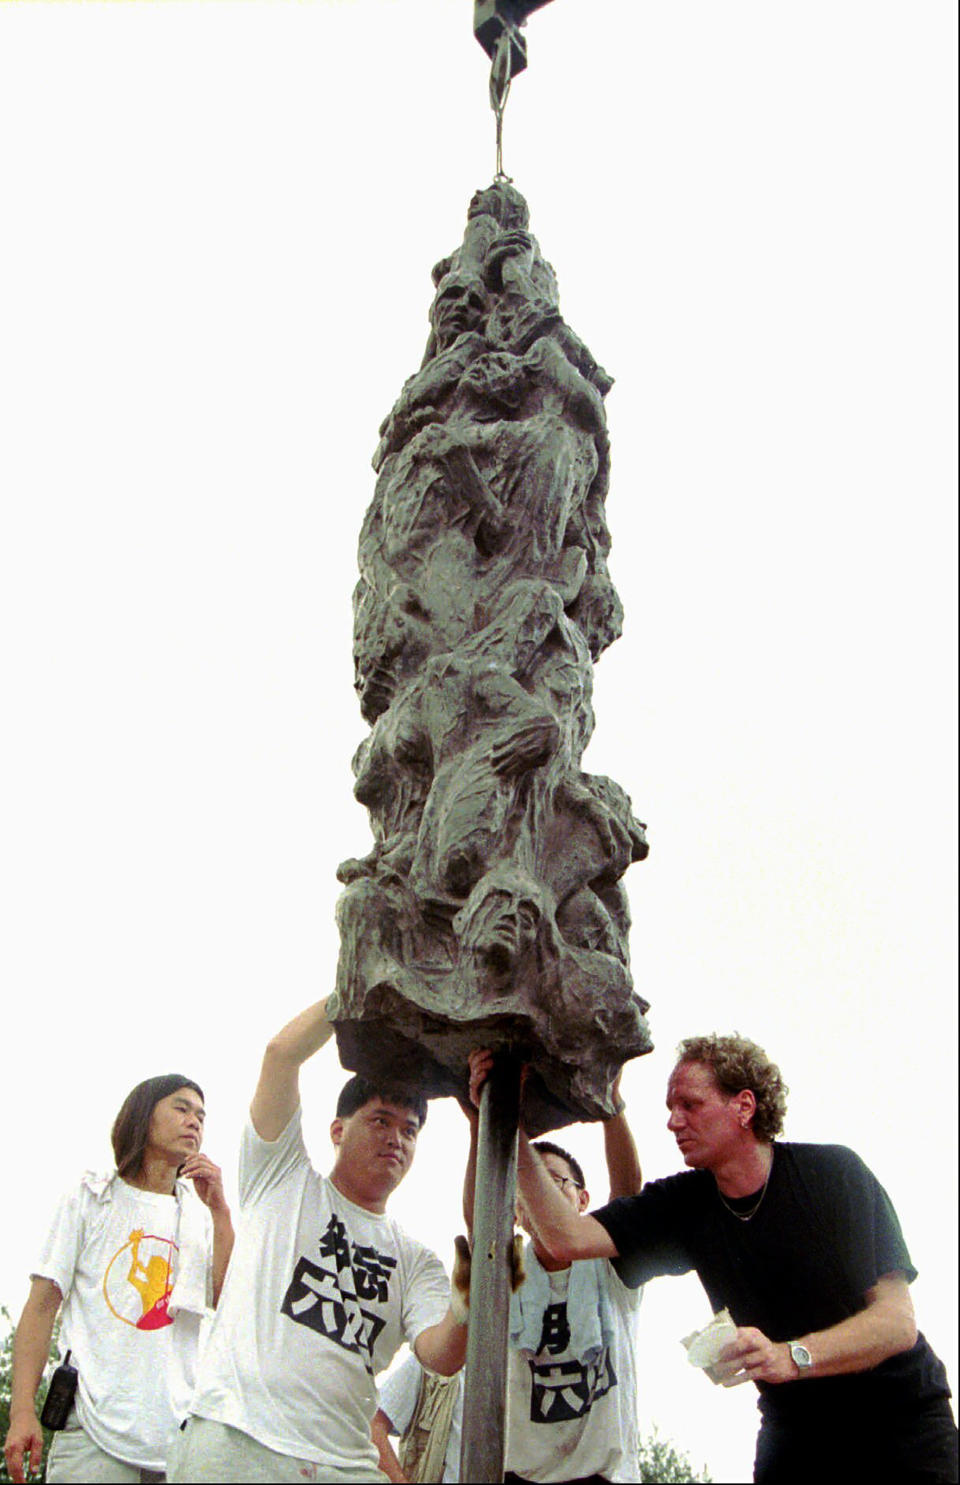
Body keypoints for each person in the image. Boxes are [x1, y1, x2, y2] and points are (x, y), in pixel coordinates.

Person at [497, 1033, 959, 1485]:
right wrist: (506, 1123)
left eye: (689, 1105)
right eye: (670, 1109)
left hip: (902, 1425)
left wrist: (792, 1356)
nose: (673, 1122)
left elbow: (897, 1323)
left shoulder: (832, 1174)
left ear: (744, 1106)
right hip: (795, 1433)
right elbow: (565, 1237)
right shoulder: (684, 1205)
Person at [167, 996, 469, 1484]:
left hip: (346, 1465)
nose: (397, 1138)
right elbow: (281, 1055)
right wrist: (354, 991)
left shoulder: (416, 1260)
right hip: (238, 1441)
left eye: (409, 1130)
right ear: (337, 1129)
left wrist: (464, 1307)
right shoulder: (281, 1176)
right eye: (380, 1121)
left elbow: (440, 1354)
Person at [3, 1074, 234, 1485]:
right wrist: (22, 1410)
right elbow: (40, 1307)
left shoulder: (198, 1215)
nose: (195, 1121)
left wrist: (220, 1211)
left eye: (201, 1114)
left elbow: (227, 1297)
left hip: (178, 1435)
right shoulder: (92, 1196)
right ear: (143, 1117)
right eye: (181, 1108)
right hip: (94, 1429)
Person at [422, 1055, 641, 1485]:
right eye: (526, 1191)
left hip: (604, 1474)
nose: (541, 1197)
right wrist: (479, 1125)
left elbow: (628, 1195)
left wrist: (612, 1105)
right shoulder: (513, 1270)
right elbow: (480, 1226)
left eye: (557, 1182)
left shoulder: (608, 1265)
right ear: (517, 1214)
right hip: (522, 1475)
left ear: (582, 1199)